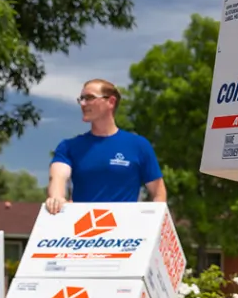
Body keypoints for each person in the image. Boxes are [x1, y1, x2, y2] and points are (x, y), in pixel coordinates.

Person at [44, 78, 166, 214]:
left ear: (111, 102)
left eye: (89, 98)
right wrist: (56, 197)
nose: (83, 104)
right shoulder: (68, 147)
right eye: (81, 99)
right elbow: (58, 177)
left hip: (126, 230)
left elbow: (158, 193)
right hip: (82, 229)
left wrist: (153, 223)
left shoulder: (139, 145)